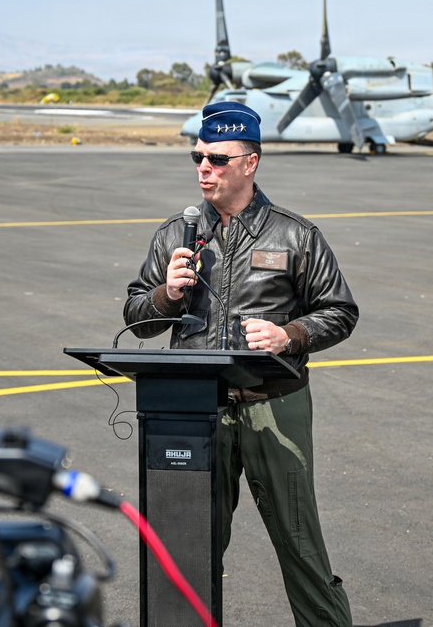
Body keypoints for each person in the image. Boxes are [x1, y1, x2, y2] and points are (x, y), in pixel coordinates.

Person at [124, 101, 358, 627]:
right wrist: (166, 294)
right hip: (194, 411)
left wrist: (290, 333)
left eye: (218, 159)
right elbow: (137, 319)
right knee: (187, 547)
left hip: (274, 405)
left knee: (301, 545)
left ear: (250, 163)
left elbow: (340, 312)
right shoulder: (174, 235)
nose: (204, 168)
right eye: (198, 157)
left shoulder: (295, 236)